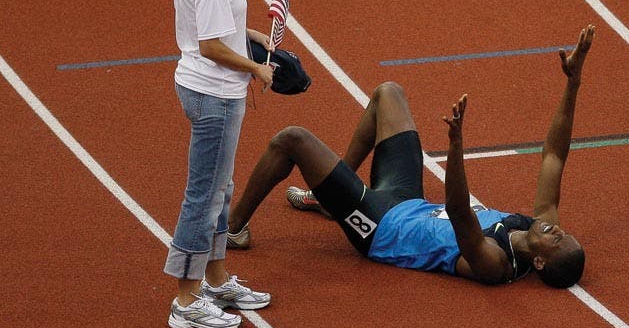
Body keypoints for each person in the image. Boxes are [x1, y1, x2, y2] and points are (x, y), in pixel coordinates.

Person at [227, 25, 595, 287]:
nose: (558, 229)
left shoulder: (494, 263)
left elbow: (459, 209)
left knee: (292, 139)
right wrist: (573, 82)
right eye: (565, 232)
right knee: (389, 93)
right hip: (407, 201)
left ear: (541, 261)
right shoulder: (534, 224)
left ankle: (233, 228)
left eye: (558, 240)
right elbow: (553, 157)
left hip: (380, 229)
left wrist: (454, 146)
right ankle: (327, 200)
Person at [163, 0, 274, 328]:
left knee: (220, 190)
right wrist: (256, 67)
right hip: (214, 93)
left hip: (210, 89)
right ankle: (186, 300)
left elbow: (209, 27)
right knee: (205, 197)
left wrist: (245, 34)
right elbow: (209, 44)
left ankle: (215, 278)